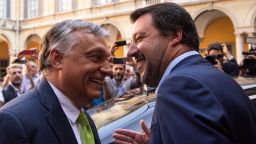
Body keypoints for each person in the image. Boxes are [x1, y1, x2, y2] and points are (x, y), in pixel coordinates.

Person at [113, 2, 256, 144]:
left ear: (175, 35)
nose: (130, 52)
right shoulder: (219, 77)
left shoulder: (180, 86)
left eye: (139, 39)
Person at [0, 20, 111, 144]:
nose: (108, 70)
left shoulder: (84, 119)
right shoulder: (14, 122)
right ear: (57, 59)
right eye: (95, 57)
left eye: (107, 60)